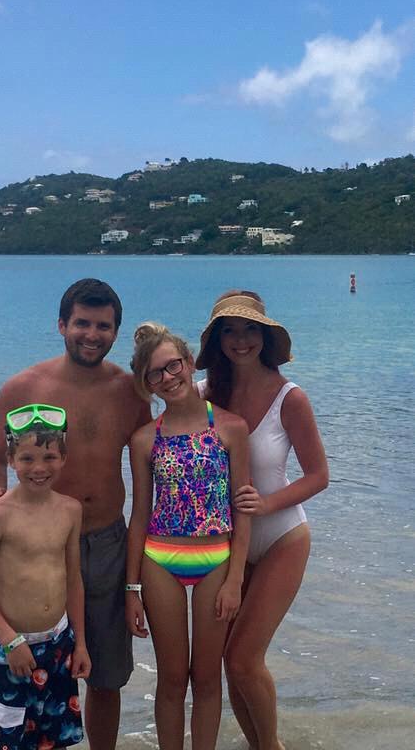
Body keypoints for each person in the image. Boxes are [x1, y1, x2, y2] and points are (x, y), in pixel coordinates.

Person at [0, 278, 150, 750]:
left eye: (104, 326)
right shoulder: (24, 386)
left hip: (106, 542)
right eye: (82, 324)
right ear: (61, 325)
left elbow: (162, 448)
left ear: (116, 331)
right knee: (29, 669)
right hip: (38, 546)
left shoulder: (130, 391)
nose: (92, 334)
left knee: (106, 673)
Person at [197, 291, 329, 750]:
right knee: (228, 662)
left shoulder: (290, 397)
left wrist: (266, 506)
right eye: (229, 331)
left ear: (265, 336)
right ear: (216, 341)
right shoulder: (203, 395)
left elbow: (319, 476)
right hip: (227, 544)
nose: (240, 340)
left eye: (250, 329)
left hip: (281, 537)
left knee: (243, 660)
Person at [125, 323, 250, 750]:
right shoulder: (144, 439)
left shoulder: (231, 428)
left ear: (189, 362)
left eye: (172, 366)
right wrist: (131, 589)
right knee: (173, 678)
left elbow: (241, 508)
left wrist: (235, 579)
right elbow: (139, 515)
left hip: (217, 559)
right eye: (154, 374)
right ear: (146, 384)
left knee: (207, 676)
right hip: (160, 561)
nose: (167, 378)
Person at [0, 405, 91, 749]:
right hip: (12, 649)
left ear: (63, 457)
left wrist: (79, 643)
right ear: (10, 459)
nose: (38, 468)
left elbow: (73, 580)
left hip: (60, 644)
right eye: (27, 458)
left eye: (49, 457)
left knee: (54, 738)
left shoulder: (70, 510)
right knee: (6, 739)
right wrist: (10, 640)